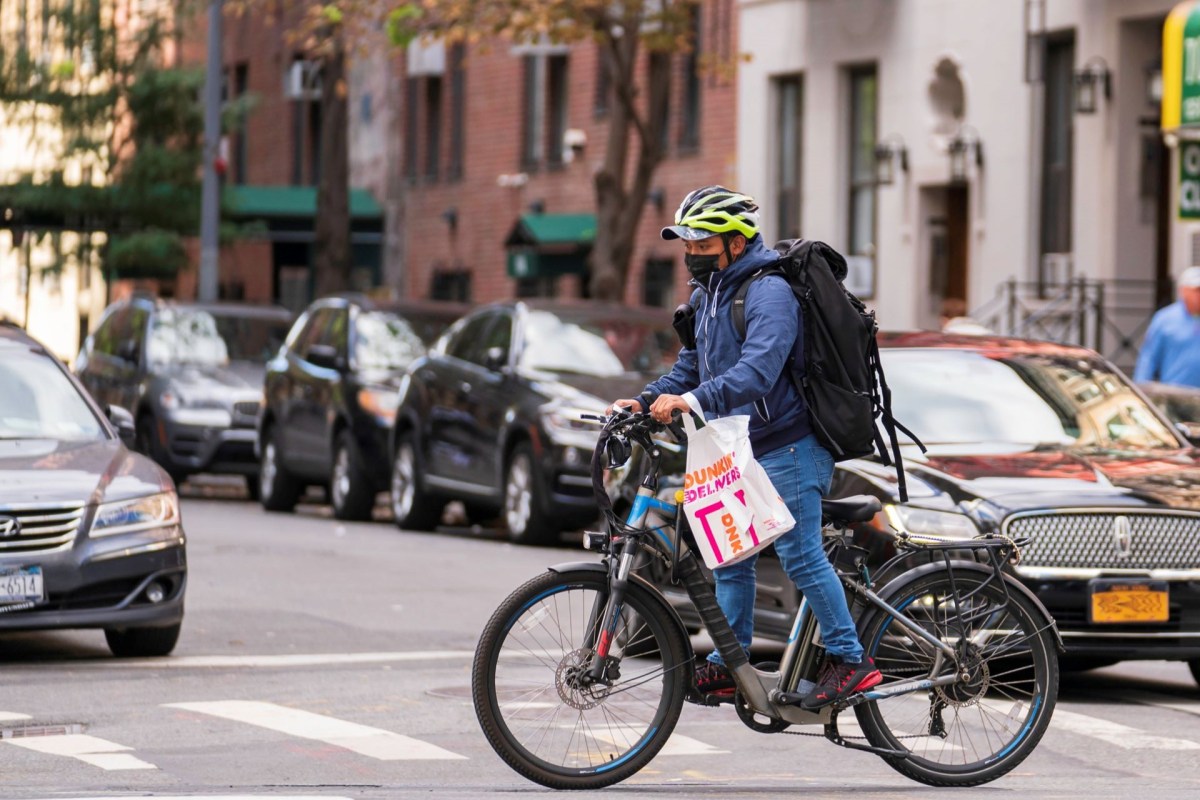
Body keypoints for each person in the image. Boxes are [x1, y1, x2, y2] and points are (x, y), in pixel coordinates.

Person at [609, 186, 881, 710]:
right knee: (730, 556)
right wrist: (645, 402)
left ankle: (852, 660)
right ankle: (730, 664)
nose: (692, 253)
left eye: (702, 243)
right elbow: (693, 366)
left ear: (736, 243)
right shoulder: (709, 293)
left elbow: (757, 371)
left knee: (800, 555)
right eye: (686, 243)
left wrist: (690, 401)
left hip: (791, 445)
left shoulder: (769, 293)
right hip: (741, 447)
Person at [1135, 267, 1200, 389]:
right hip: (1175, 394)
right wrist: (1141, 388)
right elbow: (1149, 357)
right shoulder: (1165, 319)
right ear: (1183, 291)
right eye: (1197, 290)